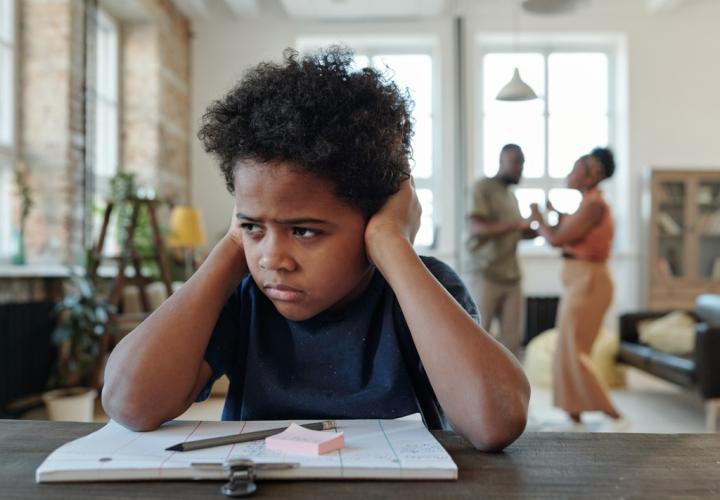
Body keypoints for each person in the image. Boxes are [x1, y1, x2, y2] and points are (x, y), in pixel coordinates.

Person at [102, 47, 530, 451]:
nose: (272, 259)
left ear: (373, 219)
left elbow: (496, 421)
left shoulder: (421, 292)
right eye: (253, 226)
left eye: (304, 231)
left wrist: (391, 243)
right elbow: (128, 403)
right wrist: (232, 247)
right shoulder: (244, 298)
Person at [530, 147, 621, 425]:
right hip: (580, 281)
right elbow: (570, 233)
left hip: (589, 283)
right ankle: (574, 413)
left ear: (589, 177)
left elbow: (558, 239)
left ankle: (612, 413)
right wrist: (553, 216)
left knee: (573, 350)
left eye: (574, 170)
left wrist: (538, 218)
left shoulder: (594, 205)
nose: (569, 174)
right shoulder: (587, 204)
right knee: (568, 348)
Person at [468, 144, 535, 359]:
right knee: (477, 336)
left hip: (512, 277)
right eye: (516, 161)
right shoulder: (482, 188)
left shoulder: (511, 196)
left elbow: (515, 231)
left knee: (512, 344)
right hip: (485, 273)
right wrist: (518, 224)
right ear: (501, 161)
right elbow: (477, 229)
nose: (520, 167)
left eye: (522, 162)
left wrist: (537, 227)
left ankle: (508, 393)